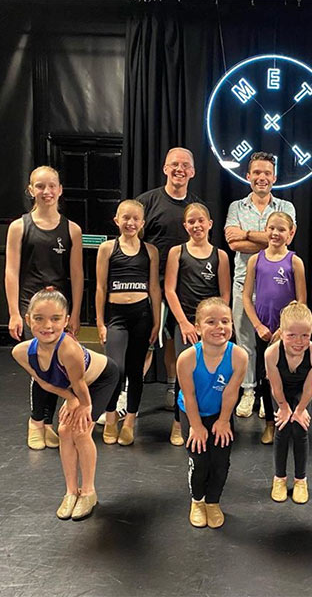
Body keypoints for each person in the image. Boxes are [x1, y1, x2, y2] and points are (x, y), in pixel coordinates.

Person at [12, 288, 119, 520]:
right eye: (39, 318)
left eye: (55, 319)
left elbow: (80, 385)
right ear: (28, 320)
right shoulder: (21, 352)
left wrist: (83, 406)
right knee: (63, 431)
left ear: (66, 320)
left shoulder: (68, 349)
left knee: (80, 431)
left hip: (100, 380)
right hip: (76, 389)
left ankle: (88, 492)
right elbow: (43, 382)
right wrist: (70, 399)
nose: (47, 325)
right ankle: (71, 492)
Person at [4, 166, 83, 449]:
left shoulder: (72, 229)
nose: (46, 191)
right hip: (32, 307)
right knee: (41, 363)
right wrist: (15, 312)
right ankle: (36, 421)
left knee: (59, 366)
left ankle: (48, 422)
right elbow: (11, 271)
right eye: (40, 186)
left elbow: (77, 275)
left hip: (59, 309)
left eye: (51, 186)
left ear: (60, 189)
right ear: (31, 190)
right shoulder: (19, 227)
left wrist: (75, 314)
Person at [137, 147, 206, 435]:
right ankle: (125, 399)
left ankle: (171, 387)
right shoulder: (147, 202)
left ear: (192, 172)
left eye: (185, 165)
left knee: (177, 344)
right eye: (174, 164)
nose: (180, 169)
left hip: (184, 289)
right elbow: (133, 241)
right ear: (165, 168)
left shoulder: (197, 208)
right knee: (147, 341)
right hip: (152, 285)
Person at [224, 152, 296, 419]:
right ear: (248, 176)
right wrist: (265, 239)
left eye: (267, 173)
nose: (261, 177)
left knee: (276, 341)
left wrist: (246, 234)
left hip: (276, 285)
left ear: (274, 178)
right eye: (256, 172)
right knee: (244, 341)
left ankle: (271, 394)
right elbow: (233, 244)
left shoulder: (286, 207)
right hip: (243, 282)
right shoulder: (236, 207)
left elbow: (283, 241)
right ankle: (249, 391)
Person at [176, 297, 248, 529]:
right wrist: (196, 427)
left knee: (220, 462)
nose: (220, 327)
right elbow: (189, 395)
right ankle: (197, 501)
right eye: (211, 322)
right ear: (197, 328)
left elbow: (231, 392)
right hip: (193, 412)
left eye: (225, 321)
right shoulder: (187, 358)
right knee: (199, 461)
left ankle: (213, 502)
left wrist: (224, 420)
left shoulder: (239, 356)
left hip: (220, 413)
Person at [95, 200, 161, 446]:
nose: (130, 223)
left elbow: (154, 288)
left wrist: (156, 322)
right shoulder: (107, 248)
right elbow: (100, 287)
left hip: (142, 316)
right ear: (117, 220)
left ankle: (130, 421)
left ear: (142, 223)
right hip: (116, 316)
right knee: (115, 369)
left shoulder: (150, 251)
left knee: (135, 371)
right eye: (126, 218)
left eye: (135, 219)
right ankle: (111, 417)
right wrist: (100, 323)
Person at [165, 203, 231, 445]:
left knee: (212, 376)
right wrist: (184, 323)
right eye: (191, 222)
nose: (196, 225)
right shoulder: (177, 252)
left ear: (210, 224)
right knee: (186, 376)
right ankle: (178, 422)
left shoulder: (220, 256)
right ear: (185, 226)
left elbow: (224, 294)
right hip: (186, 325)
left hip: (211, 327)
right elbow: (170, 290)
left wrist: (214, 325)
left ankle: (213, 420)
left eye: (201, 220)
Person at [243, 211, 307, 445]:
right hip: (264, 332)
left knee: (288, 377)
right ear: (265, 230)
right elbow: (246, 297)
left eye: (281, 229)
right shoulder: (255, 260)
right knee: (265, 378)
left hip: (287, 334)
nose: (275, 233)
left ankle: (288, 420)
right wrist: (258, 325)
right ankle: (270, 423)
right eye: (271, 228)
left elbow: (301, 300)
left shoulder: (294, 262)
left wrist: (284, 329)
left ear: (291, 233)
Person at [266, 302, 312, 504]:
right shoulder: (271, 353)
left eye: (305, 335)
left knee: (300, 429)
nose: (299, 342)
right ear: (281, 333)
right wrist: (283, 407)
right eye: (291, 335)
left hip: (302, 392)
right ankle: (279, 478)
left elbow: (309, 387)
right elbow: (275, 387)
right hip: (280, 392)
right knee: (282, 429)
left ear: (311, 332)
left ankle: (301, 480)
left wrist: (300, 410)